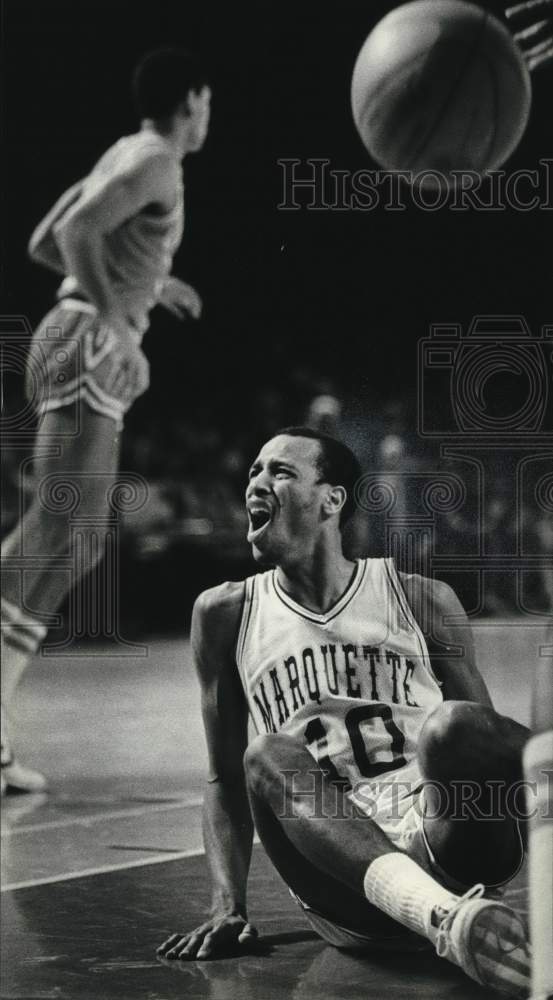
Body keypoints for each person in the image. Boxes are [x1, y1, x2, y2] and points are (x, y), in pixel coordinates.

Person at [158, 427, 533, 997]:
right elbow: (225, 779)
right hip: (343, 878)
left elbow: (487, 762)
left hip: (445, 837)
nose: (257, 482)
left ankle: (454, 915)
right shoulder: (225, 613)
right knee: (265, 754)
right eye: (254, 471)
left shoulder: (419, 598)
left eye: (279, 471)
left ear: (332, 499)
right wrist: (226, 905)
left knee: (454, 724)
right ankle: (442, 919)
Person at [1, 47, 211, 794]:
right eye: (206, 101)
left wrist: (154, 280)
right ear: (191, 100)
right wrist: (122, 321)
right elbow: (74, 235)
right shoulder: (158, 158)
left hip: (79, 334)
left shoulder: (126, 153)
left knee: (80, 543)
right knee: (54, 529)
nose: (207, 114)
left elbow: (42, 238)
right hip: (87, 338)